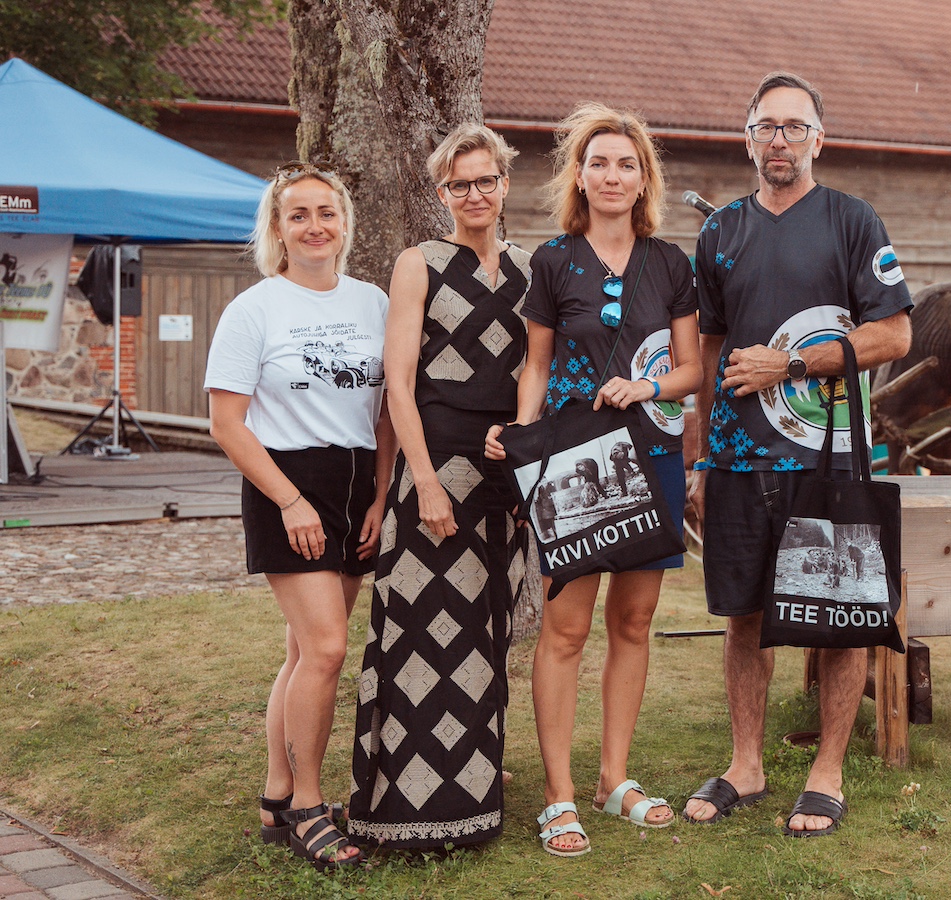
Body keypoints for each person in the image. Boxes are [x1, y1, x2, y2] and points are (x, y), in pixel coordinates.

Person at [682, 72, 913, 837]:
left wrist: (791, 364)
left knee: (839, 619)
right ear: (747, 138)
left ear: (819, 139)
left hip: (829, 458)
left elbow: (895, 335)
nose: (779, 139)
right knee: (743, 615)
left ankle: (827, 772)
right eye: (766, 126)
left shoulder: (852, 220)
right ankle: (746, 765)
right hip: (738, 460)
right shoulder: (719, 233)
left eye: (794, 126)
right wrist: (700, 456)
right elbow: (709, 351)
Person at [486, 102, 702, 857]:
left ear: (645, 181)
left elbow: (691, 369)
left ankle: (615, 778)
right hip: (574, 461)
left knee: (634, 623)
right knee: (567, 628)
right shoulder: (553, 261)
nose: (613, 175)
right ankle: (559, 795)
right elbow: (537, 365)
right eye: (599, 163)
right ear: (579, 176)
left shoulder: (671, 264)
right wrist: (525, 445)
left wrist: (647, 388)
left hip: (653, 453)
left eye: (627, 164)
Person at [346, 124, 532, 851]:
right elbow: (397, 384)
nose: (474, 194)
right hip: (434, 467)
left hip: (502, 473)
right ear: (442, 192)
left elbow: (537, 371)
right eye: (460, 184)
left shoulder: (529, 268)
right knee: (420, 630)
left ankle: (475, 786)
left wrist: (525, 457)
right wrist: (421, 480)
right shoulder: (418, 263)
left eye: (486, 180)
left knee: (487, 628)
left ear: (504, 185)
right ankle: (405, 802)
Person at [205, 162, 393, 870]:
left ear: (345, 221)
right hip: (287, 485)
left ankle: (277, 795)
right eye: (298, 215)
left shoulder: (373, 302)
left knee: (301, 652)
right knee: (327, 649)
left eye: (326, 212)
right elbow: (227, 424)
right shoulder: (254, 309)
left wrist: (379, 495)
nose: (315, 226)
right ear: (278, 229)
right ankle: (311, 808)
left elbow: (386, 412)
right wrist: (289, 500)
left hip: (355, 487)